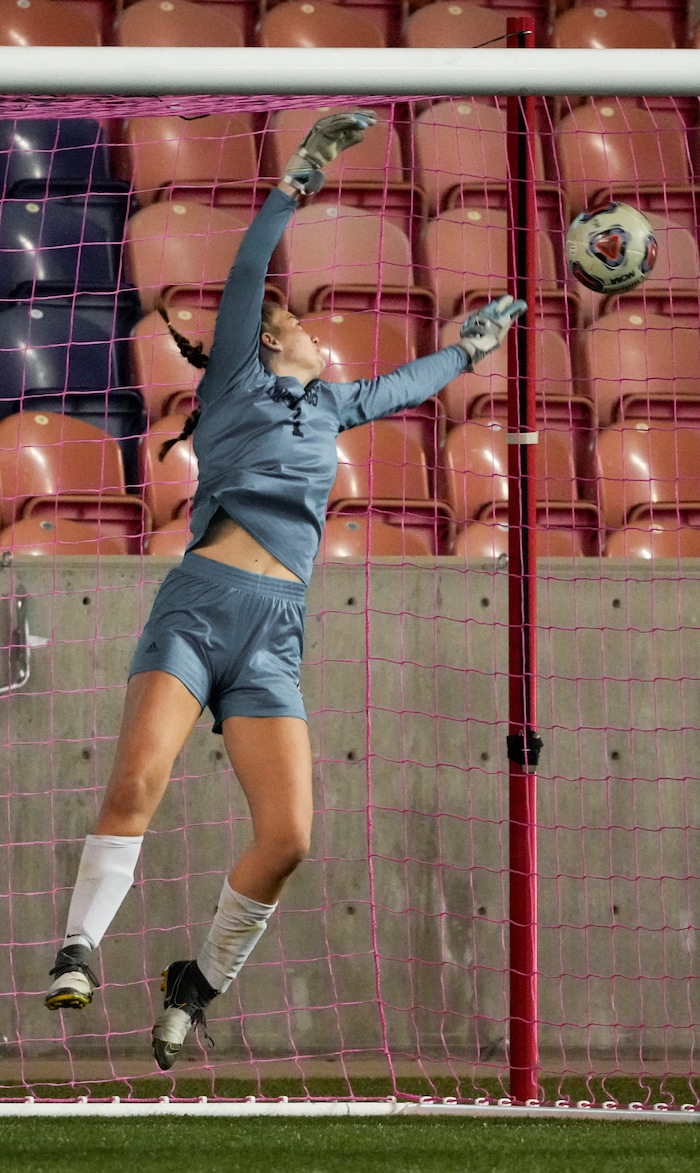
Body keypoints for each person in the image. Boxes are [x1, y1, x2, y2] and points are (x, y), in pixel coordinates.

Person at [44, 111, 526, 1070]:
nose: (311, 330)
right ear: (271, 345)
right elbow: (247, 276)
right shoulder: (235, 384)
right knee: (138, 782)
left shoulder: (333, 406)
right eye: (298, 323)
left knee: (291, 836)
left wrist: (470, 351)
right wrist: (299, 175)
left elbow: (405, 386)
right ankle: (77, 947)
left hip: (274, 634)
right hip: (201, 604)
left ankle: (197, 987)